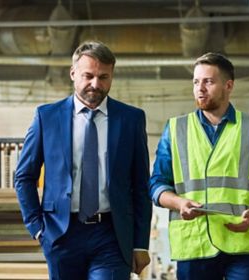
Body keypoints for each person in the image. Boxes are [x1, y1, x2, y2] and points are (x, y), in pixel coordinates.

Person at [14, 41, 152, 280]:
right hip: (61, 234)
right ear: (73, 73)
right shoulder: (47, 117)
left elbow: (141, 185)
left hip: (112, 234)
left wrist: (140, 243)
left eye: (103, 77)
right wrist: (37, 228)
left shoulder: (131, 119)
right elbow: (24, 177)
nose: (95, 84)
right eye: (88, 76)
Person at [149, 52, 249, 280]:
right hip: (194, 242)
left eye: (208, 81)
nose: (200, 88)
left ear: (228, 85)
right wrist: (180, 203)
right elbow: (156, 185)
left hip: (243, 242)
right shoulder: (175, 129)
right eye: (196, 82)